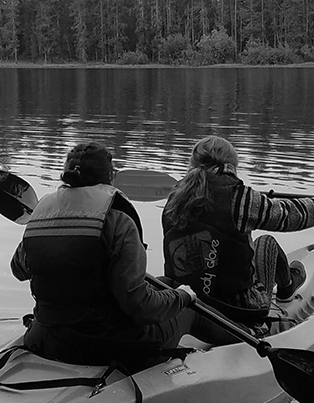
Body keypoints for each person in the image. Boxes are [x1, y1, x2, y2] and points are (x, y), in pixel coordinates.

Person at [11, 141, 199, 370]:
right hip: (104, 346)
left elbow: (18, 269)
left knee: (166, 284)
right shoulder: (119, 220)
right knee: (189, 306)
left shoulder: (41, 214)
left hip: (47, 339)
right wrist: (183, 298)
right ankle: (241, 348)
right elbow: (139, 305)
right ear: (110, 177)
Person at [162, 135, 314, 344]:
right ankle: (287, 287)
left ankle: (289, 282)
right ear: (231, 166)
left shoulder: (175, 197)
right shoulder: (239, 197)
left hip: (192, 299)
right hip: (238, 312)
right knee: (266, 243)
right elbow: (292, 215)